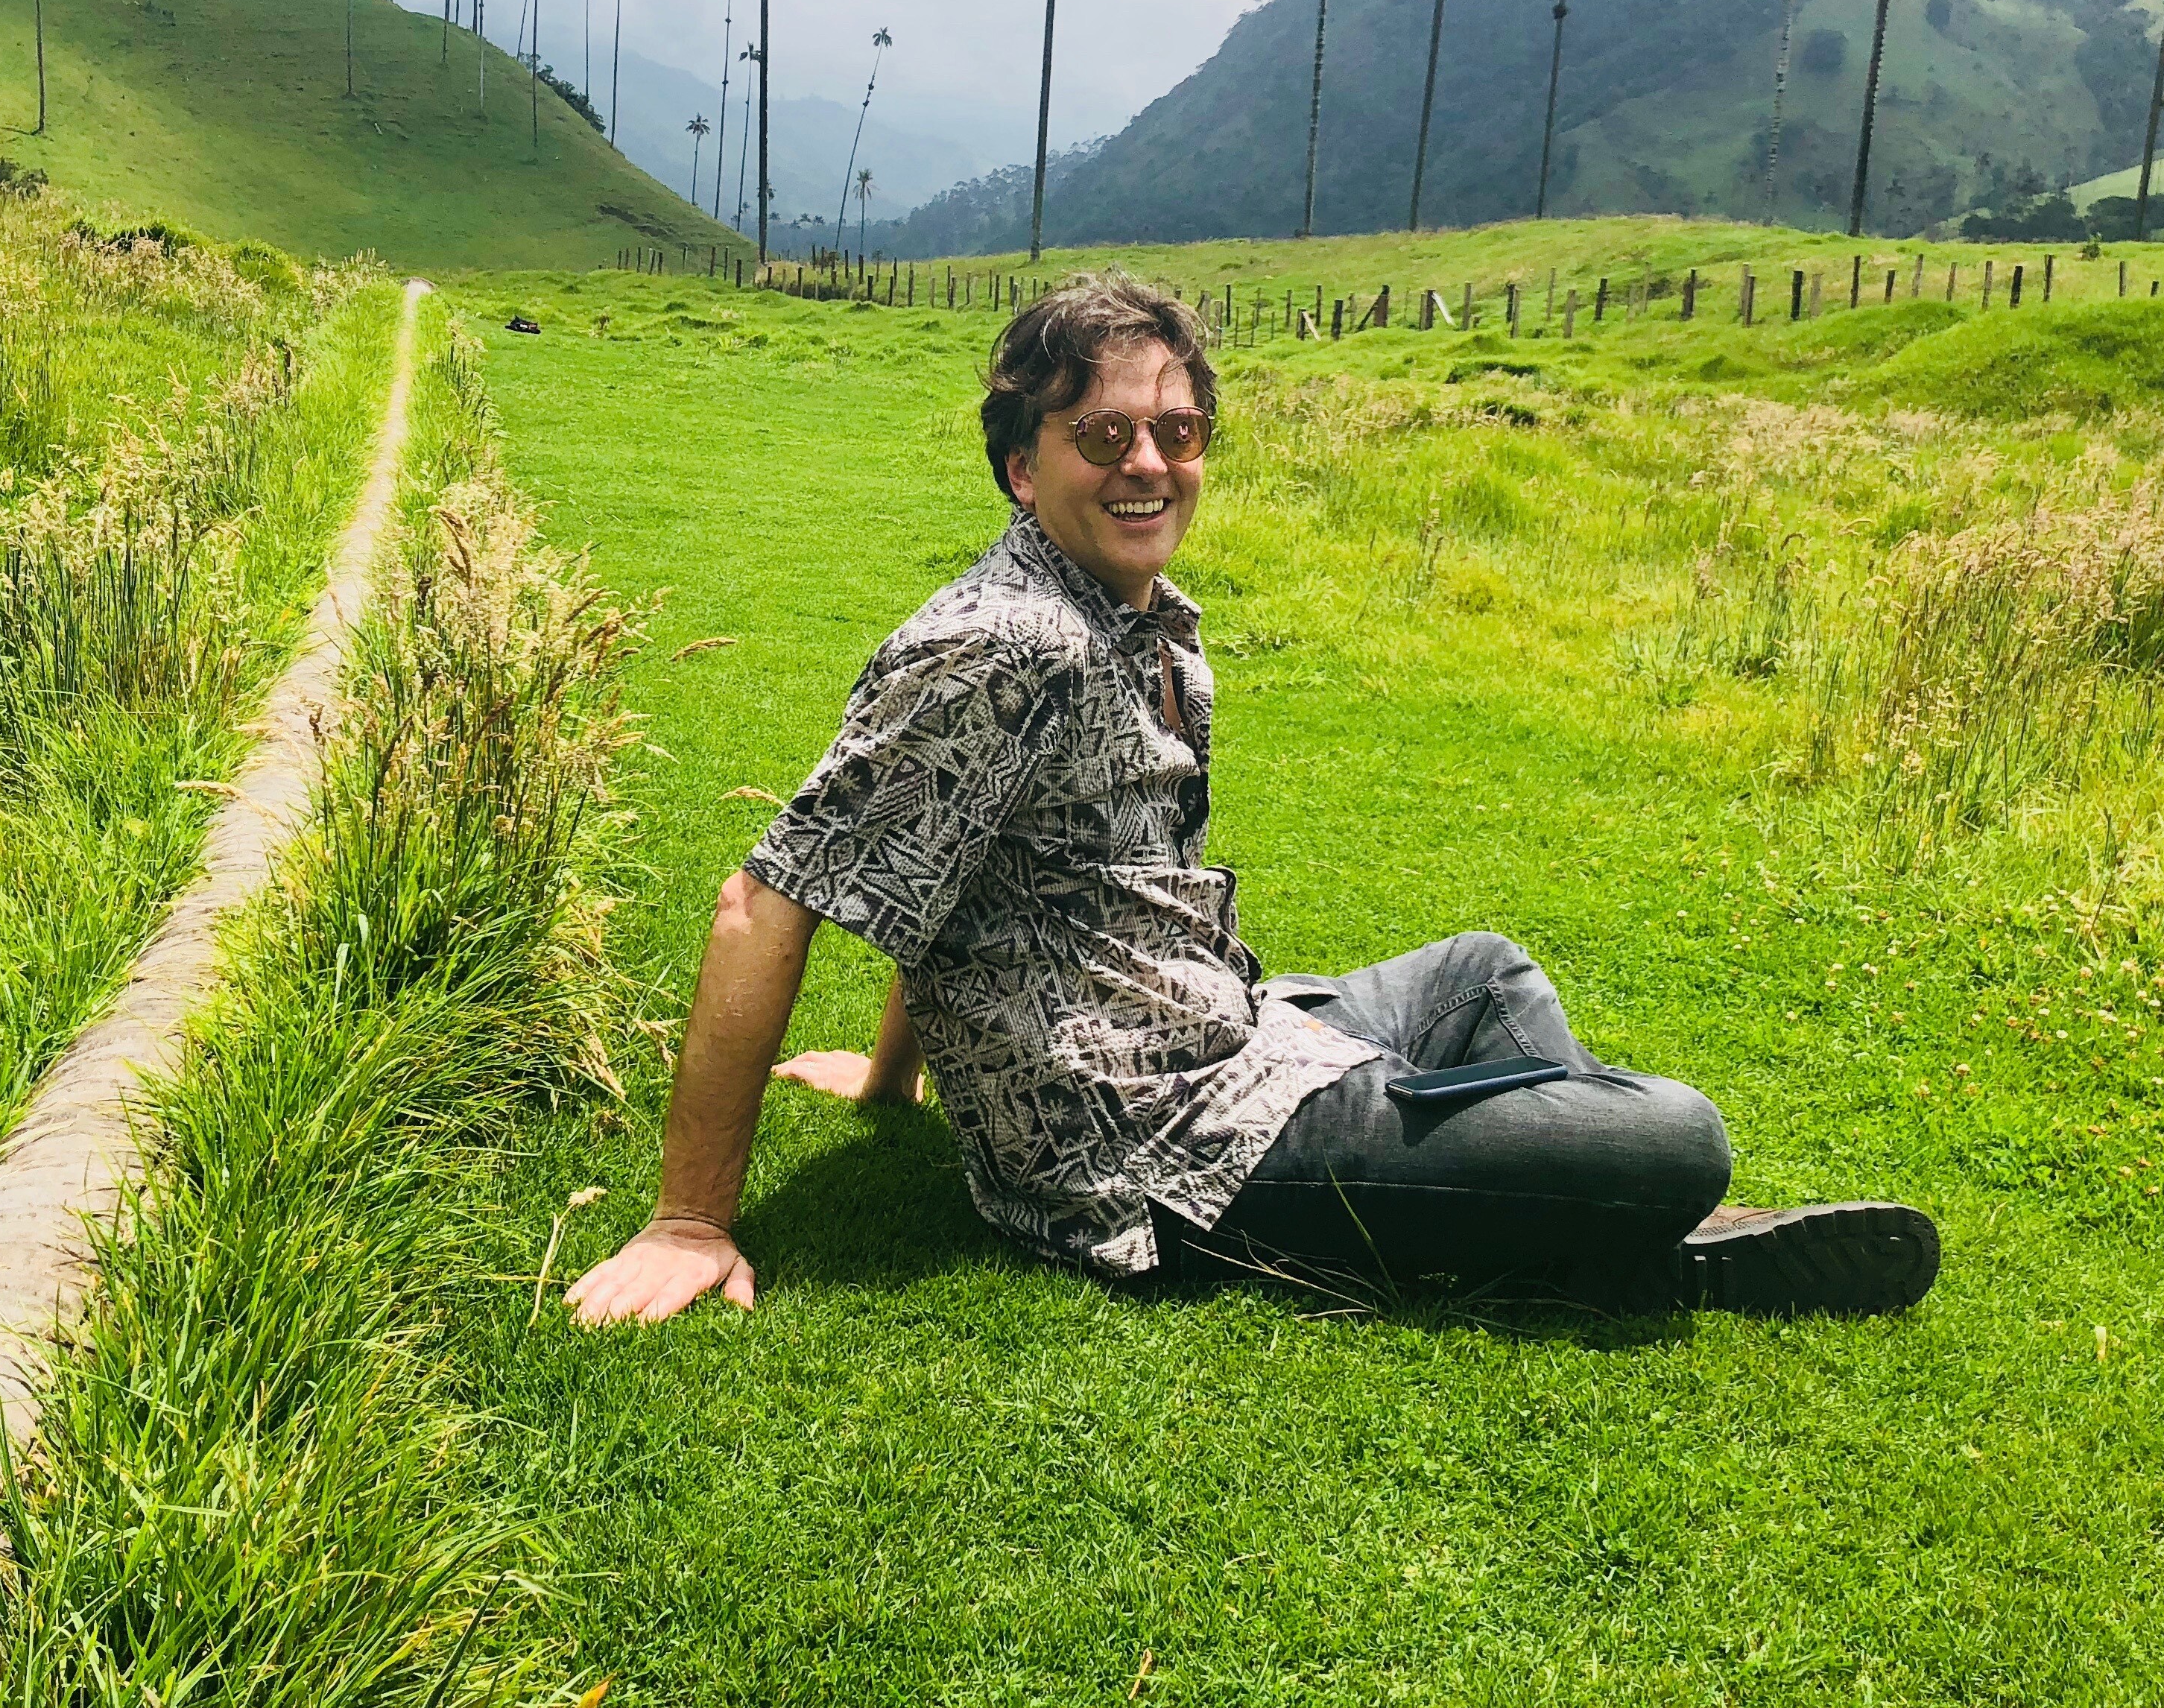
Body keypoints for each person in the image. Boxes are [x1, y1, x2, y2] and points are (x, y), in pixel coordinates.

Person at [567, 273, 1937, 1327]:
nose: (1148, 464)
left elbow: (945, 869)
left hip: (1222, 1027)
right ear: (1020, 463)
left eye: (1177, 431)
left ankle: (1518, 1198)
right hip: (1144, 1136)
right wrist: (691, 1221)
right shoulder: (1001, 644)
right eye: (1104, 434)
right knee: (1677, 1137)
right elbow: (767, 901)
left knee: (1484, 972)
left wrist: (884, 1082)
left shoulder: (1144, 615)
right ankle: (1600, 1236)